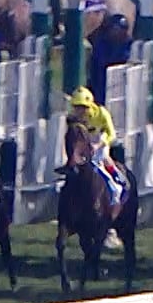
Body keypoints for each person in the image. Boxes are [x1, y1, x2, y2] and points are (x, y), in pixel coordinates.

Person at [64, 85, 127, 224]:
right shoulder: (73, 119)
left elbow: (111, 134)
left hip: (100, 144)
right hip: (83, 148)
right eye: (77, 107)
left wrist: (99, 145)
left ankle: (117, 182)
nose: (80, 111)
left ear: (89, 105)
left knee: (103, 160)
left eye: (83, 108)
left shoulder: (101, 113)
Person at [87, 13, 134, 104]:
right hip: (101, 83)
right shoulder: (101, 44)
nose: (118, 32)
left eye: (122, 29)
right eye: (115, 29)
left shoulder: (128, 44)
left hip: (121, 87)